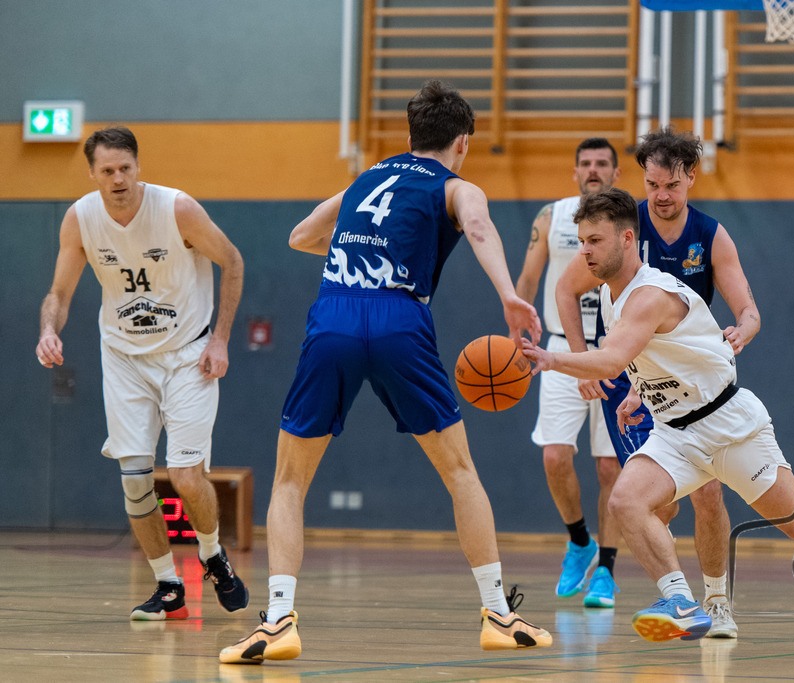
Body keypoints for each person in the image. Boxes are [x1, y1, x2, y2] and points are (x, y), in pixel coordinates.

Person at [219, 81, 552, 665]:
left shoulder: (365, 178)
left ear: (409, 137)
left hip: (336, 315)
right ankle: (498, 614)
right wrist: (507, 294)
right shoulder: (457, 186)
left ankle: (277, 621)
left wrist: (363, 251)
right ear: (463, 143)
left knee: (290, 481)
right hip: (401, 318)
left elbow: (300, 237)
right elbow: (478, 228)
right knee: (459, 471)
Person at [522, 188, 794, 650]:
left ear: (627, 239)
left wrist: (552, 361)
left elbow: (611, 360)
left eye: (594, 241)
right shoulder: (615, 295)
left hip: (731, 427)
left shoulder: (649, 296)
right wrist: (643, 391)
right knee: (625, 501)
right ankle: (680, 602)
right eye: (581, 240)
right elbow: (657, 356)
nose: (584, 251)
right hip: (676, 432)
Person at [36, 126, 248, 621]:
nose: (117, 179)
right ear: (93, 173)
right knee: (135, 481)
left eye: (125, 168)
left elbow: (232, 261)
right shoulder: (81, 219)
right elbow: (59, 294)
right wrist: (49, 329)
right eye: (107, 170)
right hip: (125, 358)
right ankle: (168, 586)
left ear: (138, 167)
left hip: (187, 355)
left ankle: (212, 553)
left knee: (185, 476)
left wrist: (220, 339)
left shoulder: (178, 209)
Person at [555, 127, 759, 638]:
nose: (661, 196)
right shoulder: (623, 228)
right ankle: (653, 585)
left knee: (705, 494)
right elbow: (564, 286)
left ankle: (714, 603)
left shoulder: (711, 236)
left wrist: (742, 330)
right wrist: (580, 358)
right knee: (636, 493)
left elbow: (749, 310)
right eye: (652, 185)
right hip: (629, 380)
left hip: (689, 383)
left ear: (690, 178)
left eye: (670, 185)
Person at [514, 138, 623, 608]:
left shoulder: (628, 223)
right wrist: (518, 337)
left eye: (602, 164)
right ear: (574, 171)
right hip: (560, 348)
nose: (593, 170)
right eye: (586, 163)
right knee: (555, 457)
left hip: (619, 354)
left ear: (616, 174)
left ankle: (608, 571)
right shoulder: (550, 218)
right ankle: (580, 541)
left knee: (610, 466)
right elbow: (528, 282)